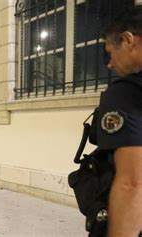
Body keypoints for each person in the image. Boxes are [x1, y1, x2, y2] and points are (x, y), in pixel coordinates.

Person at [97, 6, 142, 237]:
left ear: (127, 40)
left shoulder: (126, 93)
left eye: (110, 53)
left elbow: (132, 183)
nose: (110, 64)